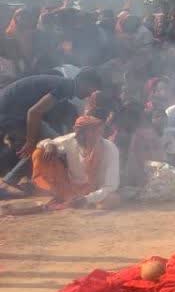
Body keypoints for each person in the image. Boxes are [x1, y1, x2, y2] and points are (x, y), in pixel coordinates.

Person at [0, 68, 104, 197]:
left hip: (11, 110)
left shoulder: (65, 86)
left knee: (50, 143)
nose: (89, 96)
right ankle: (7, 183)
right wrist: (31, 141)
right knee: (50, 144)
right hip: (10, 113)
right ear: (84, 82)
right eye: (91, 90)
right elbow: (34, 112)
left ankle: (21, 180)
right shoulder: (65, 86)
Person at [30, 115, 121, 208]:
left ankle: (84, 202)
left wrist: (87, 199)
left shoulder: (110, 149)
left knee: (112, 199)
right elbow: (46, 143)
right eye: (76, 132)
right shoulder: (72, 139)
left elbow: (111, 186)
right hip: (71, 189)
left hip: (96, 190)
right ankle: (66, 196)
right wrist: (49, 145)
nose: (77, 136)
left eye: (82, 133)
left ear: (93, 133)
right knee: (39, 153)